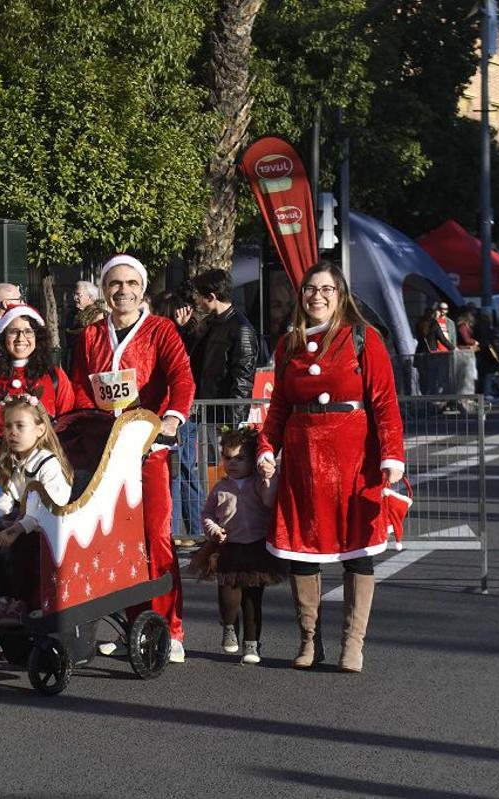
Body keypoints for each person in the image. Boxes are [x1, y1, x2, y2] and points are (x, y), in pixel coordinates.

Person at [257, 262, 404, 673]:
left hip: (353, 460)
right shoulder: (288, 344)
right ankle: (309, 640)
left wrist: (392, 455)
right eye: (310, 289)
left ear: (340, 295)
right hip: (303, 462)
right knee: (302, 551)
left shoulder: (363, 338)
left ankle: (352, 645)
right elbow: (279, 406)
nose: (316, 296)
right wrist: (266, 448)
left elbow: (384, 401)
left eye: (326, 289)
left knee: (357, 550)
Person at [71, 254, 194, 663]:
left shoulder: (161, 330)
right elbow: (79, 388)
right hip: (105, 453)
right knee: (119, 541)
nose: (123, 291)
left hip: (147, 451)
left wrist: (172, 418)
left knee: (156, 537)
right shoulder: (90, 335)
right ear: (104, 289)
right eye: (114, 283)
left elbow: (182, 378)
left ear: (142, 289)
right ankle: (135, 628)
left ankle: (170, 629)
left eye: (131, 284)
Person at [0, 394, 73, 626]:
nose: (12, 432)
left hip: (48, 529)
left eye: (20, 426)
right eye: (8, 426)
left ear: (40, 430)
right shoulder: (6, 461)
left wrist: (18, 529)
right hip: (20, 521)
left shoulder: (48, 463)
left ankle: (21, 602)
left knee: (24, 543)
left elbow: (50, 507)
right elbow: (2, 499)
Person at [196, 427, 282, 665]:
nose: (232, 463)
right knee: (228, 594)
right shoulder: (220, 487)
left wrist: (268, 476)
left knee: (252, 600)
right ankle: (229, 624)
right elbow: (207, 514)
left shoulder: (258, 483)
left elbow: (269, 501)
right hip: (229, 547)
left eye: (240, 458)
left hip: (256, 548)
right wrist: (214, 530)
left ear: (253, 460)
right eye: (227, 457)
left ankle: (252, 644)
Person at [0, 303, 75, 478]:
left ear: (38, 336)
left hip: (41, 470)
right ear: (3, 336)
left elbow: (68, 429)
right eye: (14, 331)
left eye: (28, 331)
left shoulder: (55, 377)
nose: (21, 338)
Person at [150, 286, 205, 549]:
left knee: (179, 472)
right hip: (178, 413)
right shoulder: (184, 333)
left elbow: (181, 369)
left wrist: (180, 331)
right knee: (181, 471)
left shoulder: (180, 336)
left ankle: (188, 529)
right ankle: (183, 529)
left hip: (177, 414)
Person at [189, 268, 259, 426]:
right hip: (206, 413)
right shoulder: (210, 323)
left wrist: (234, 425)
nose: (197, 300)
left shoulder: (241, 328)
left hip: (223, 418)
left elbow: (243, 381)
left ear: (211, 297)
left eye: (199, 295)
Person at [63, 281, 107, 368]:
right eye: (74, 294)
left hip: (89, 360)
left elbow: (95, 338)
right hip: (72, 358)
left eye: (78, 295)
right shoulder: (72, 314)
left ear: (90, 297)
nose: (75, 298)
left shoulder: (99, 314)